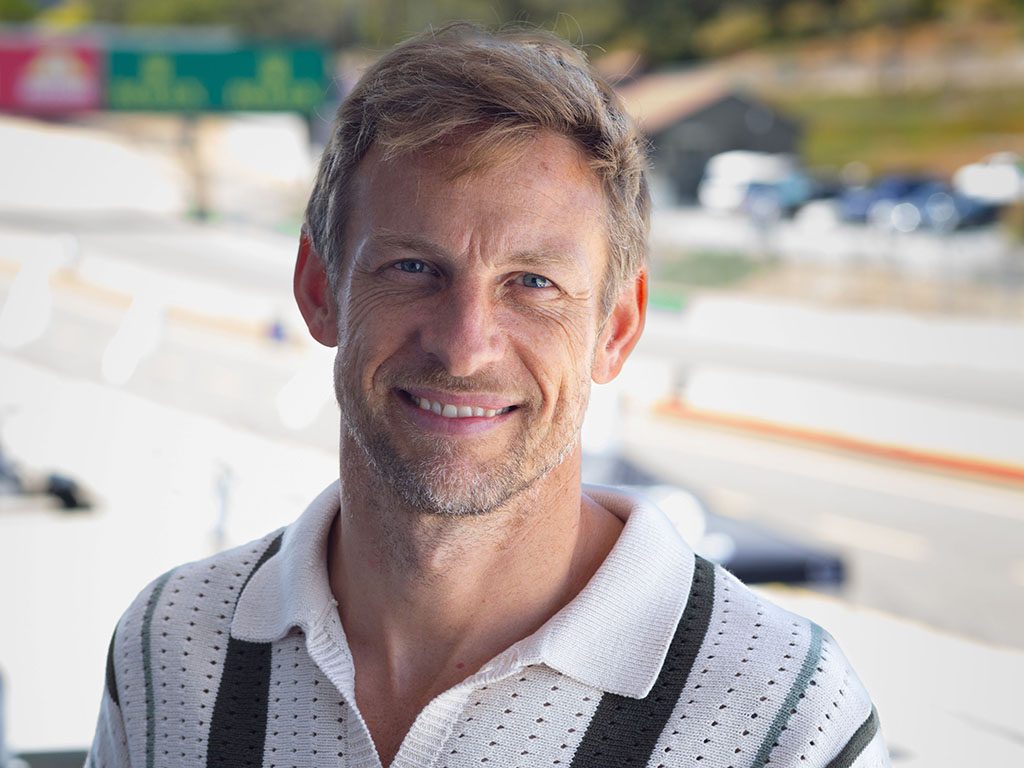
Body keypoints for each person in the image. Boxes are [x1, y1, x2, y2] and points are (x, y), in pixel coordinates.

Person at [89, 23, 888, 768]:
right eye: (412, 268)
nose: (465, 346)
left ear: (616, 328)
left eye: (532, 283)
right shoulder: (168, 650)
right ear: (317, 286)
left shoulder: (785, 715)